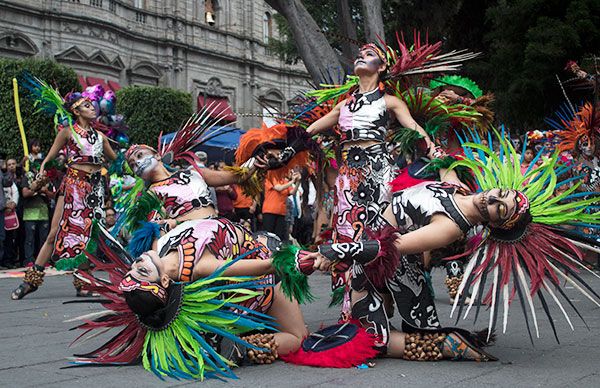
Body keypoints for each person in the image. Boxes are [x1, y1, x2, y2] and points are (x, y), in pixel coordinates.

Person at [287, 136, 600, 360]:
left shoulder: (449, 226)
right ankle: (407, 320)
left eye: (499, 209)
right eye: (500, 193)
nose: (492, 199)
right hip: (383, 254)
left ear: (496, 223)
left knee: (372, 339)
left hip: (380, 259)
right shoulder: (460, 189)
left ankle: (444, 345)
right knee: (385, 320)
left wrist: (334, 252)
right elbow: (444, 162)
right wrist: (434, 131)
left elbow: (391, 246)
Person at [68, 218, 308, 380]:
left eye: (132, 269)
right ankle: (244, 348)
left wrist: (169, 222)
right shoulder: (200, 266)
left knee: (263, 240)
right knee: (299, 337)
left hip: (253, 247)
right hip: (265, 284)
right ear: (163, 283)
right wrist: (292, 261)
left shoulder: (159, 249)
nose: (137, 263)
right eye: (141, 272)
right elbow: (258, 268)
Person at [11, 88, 117, 300]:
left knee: (88, 236)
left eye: (92, 105)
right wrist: (41, 175)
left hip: (94, 189)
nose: (92, 108)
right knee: (55, 233)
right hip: (72, 187)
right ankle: (31, 280)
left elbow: (116, 161)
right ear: (76, 111)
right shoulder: (68, 132)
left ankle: (83, 283)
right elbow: (48, 161)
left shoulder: (101, 137)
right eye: (86, 106)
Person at [21, 167, 53, 267]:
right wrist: (37, 190)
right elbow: (25, 193)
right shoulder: (27, 177)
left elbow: (53, 195)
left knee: (44, 239)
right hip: (30, 213)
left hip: (44, 212)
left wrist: (45, 191)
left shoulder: (47, 178)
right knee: (29, 239)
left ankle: (43, 260)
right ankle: (29, 260)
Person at [262, 172, 300, 241]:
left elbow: (292, 192)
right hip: (270, 211)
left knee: (278, 236)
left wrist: (298, 181)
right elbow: (279, 188)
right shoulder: (271, 177)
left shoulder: (285, 181)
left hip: (281, 213)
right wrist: (292, 181)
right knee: (268, 235)